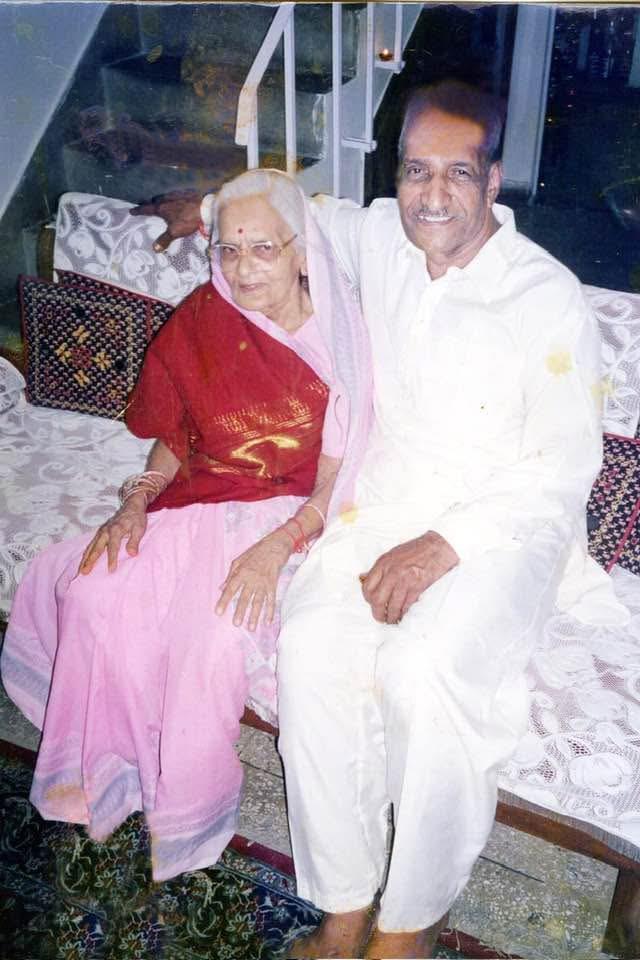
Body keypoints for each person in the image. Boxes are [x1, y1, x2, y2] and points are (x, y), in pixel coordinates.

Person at [124, 81, 624, 958]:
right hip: (384, 501)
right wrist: (203, 208)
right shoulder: (382, 234)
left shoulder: (545, 297)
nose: (433, 194)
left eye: (458, 173)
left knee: (425, 672)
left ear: (494, 180)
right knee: (313, 644)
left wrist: (443, 546)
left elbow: (561, 467)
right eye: (416, 170)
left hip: (503, 531)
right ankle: (345, 905)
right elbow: (290, 210)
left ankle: (408, 924)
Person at [0, 168, 371, 883]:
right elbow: (177, 434)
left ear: (301, 253)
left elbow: (339, 478)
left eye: (263, 248)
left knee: (210, 641)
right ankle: (108, 780)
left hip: (292, 521)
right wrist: (136, 500)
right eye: (229, 249)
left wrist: (276, 547)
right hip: (198, 498)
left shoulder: (340, 338)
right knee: (93, 592)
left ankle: (187, 815)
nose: (243, 267)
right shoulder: (207, 312)